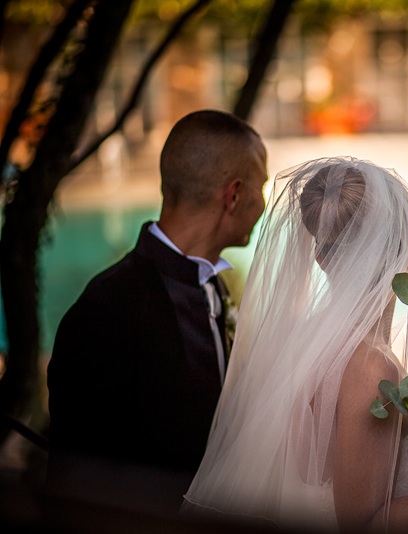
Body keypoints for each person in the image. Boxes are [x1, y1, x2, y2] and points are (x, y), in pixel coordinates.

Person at [182, 157, 408, 533]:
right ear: (407, 251)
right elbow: (364, 525)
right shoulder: (370, 370)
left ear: (320, 258)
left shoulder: (305, 345)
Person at [46, 109, 268, 514]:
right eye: (261, 186)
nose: (263, 202)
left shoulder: (213, 285)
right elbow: (76, 475)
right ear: (233, 194)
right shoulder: (105, 310)